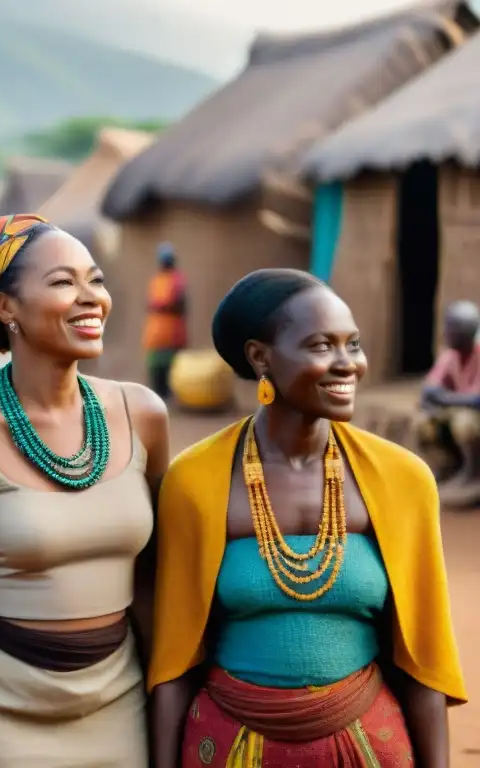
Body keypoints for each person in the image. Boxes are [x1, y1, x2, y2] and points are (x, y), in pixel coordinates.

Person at [150, 269, 467, 767]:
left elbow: (422, 660)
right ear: (260, 358)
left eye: (354, 344)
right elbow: (174, 660)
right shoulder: (195, 482)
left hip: (365, 744)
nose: (349, 365)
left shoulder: (403, 479)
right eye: (322, 346)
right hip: (232, 744)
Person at [0, 214, 169, 767]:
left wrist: (162, 708)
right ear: (6, 308)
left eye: (95, 280)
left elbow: (151, 583)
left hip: (117, 698)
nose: (90, 298)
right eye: (62, 283)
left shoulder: (141, 414)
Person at [416, 300, 480, 488]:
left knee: (464, 424)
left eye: (451, 328)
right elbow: (429, 392)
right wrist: (450, 399)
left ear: (464, 332)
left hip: (472, 416)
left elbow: (477, 401)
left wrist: (444, 398)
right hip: (460, 409)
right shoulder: (450, 355)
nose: (446, 333)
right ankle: (446, 467)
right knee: (424, 423)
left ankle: (473, 472)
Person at [142, 242, 187, 399]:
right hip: (156, 332)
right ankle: (158, 395)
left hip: (171, 331)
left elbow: (181, 305)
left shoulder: (177, 280)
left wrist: (162, 307)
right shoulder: (156, 280)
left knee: (171, 367)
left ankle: (169, 396)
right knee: (156, 367)